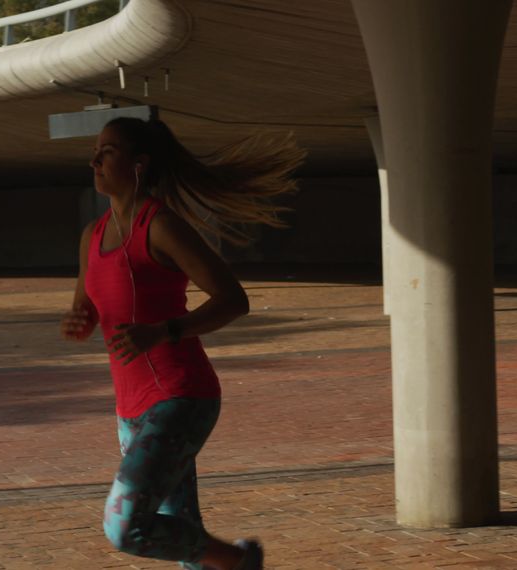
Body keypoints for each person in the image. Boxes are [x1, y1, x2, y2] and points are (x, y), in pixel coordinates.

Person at [60, 117, 304, 570]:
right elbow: (89, 308)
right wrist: (78, 322)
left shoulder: (161, 226)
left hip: (179, 395)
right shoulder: (91, 237)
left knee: (126, 525)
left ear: (139, 164)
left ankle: (237, 559)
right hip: (129, 408)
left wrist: (163, 330)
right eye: (95, 150)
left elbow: (234, 300)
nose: (94, 159)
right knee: (178, 529)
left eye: (108, 150)